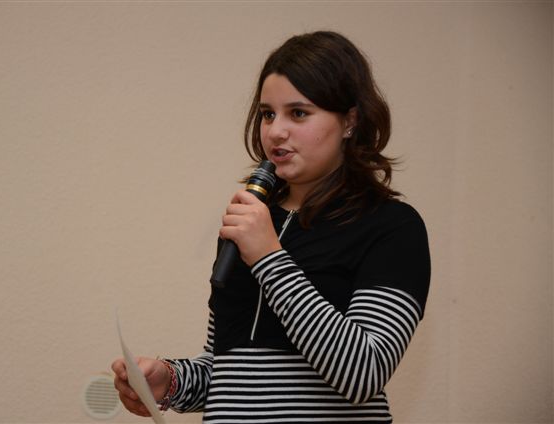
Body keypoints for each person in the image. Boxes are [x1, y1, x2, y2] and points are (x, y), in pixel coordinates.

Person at [112, 30, 431, 423]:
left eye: (298, 113)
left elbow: (362, 373)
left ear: (349, 121)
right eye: (267, 114)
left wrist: (268, 257)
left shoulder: (393, 227)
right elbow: (228, 371)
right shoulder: (250, 221)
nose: (275, 131)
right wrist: (172, 381)